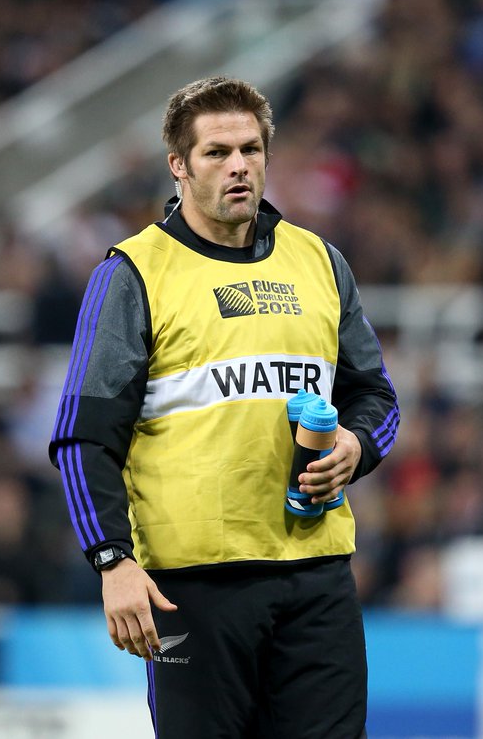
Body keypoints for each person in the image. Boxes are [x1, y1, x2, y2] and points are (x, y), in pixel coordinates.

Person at [49, 76, 398, 738]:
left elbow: (376, 397)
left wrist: (354, 446)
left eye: (251, 149)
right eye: (216, 153)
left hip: (316, 577)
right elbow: (82, 439)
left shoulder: (319, 262)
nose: (238, 165)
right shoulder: (133, 274)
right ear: (178, 165)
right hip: (193, 586)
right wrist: (111, 560)